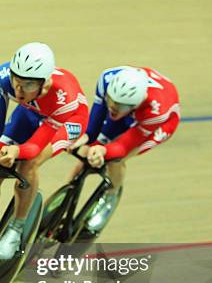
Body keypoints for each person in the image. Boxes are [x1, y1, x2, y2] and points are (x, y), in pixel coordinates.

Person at [0, 42, 89, 259]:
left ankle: (17, 227)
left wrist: (16, 152)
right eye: (16, 82)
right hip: (31, 110)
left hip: (68, 121)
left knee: (29, 163)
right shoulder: (4, 78)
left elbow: (34, 146)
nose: (19, 90)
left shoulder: (62, 97)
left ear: (45, 84)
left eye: (27, 85)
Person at [71, 66, 180, 233]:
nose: (113, 107)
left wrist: (104, 151)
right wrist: (85, 139)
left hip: (161, 123)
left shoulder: (156, 112)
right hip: (131, 108)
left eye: (119, 106)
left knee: (116, 159)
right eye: (111, 100)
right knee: (87, 152)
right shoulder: (107, 79)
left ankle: (111, 196)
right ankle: (66, 194)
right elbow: (94, 125)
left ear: (137, 102)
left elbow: (123, 146)